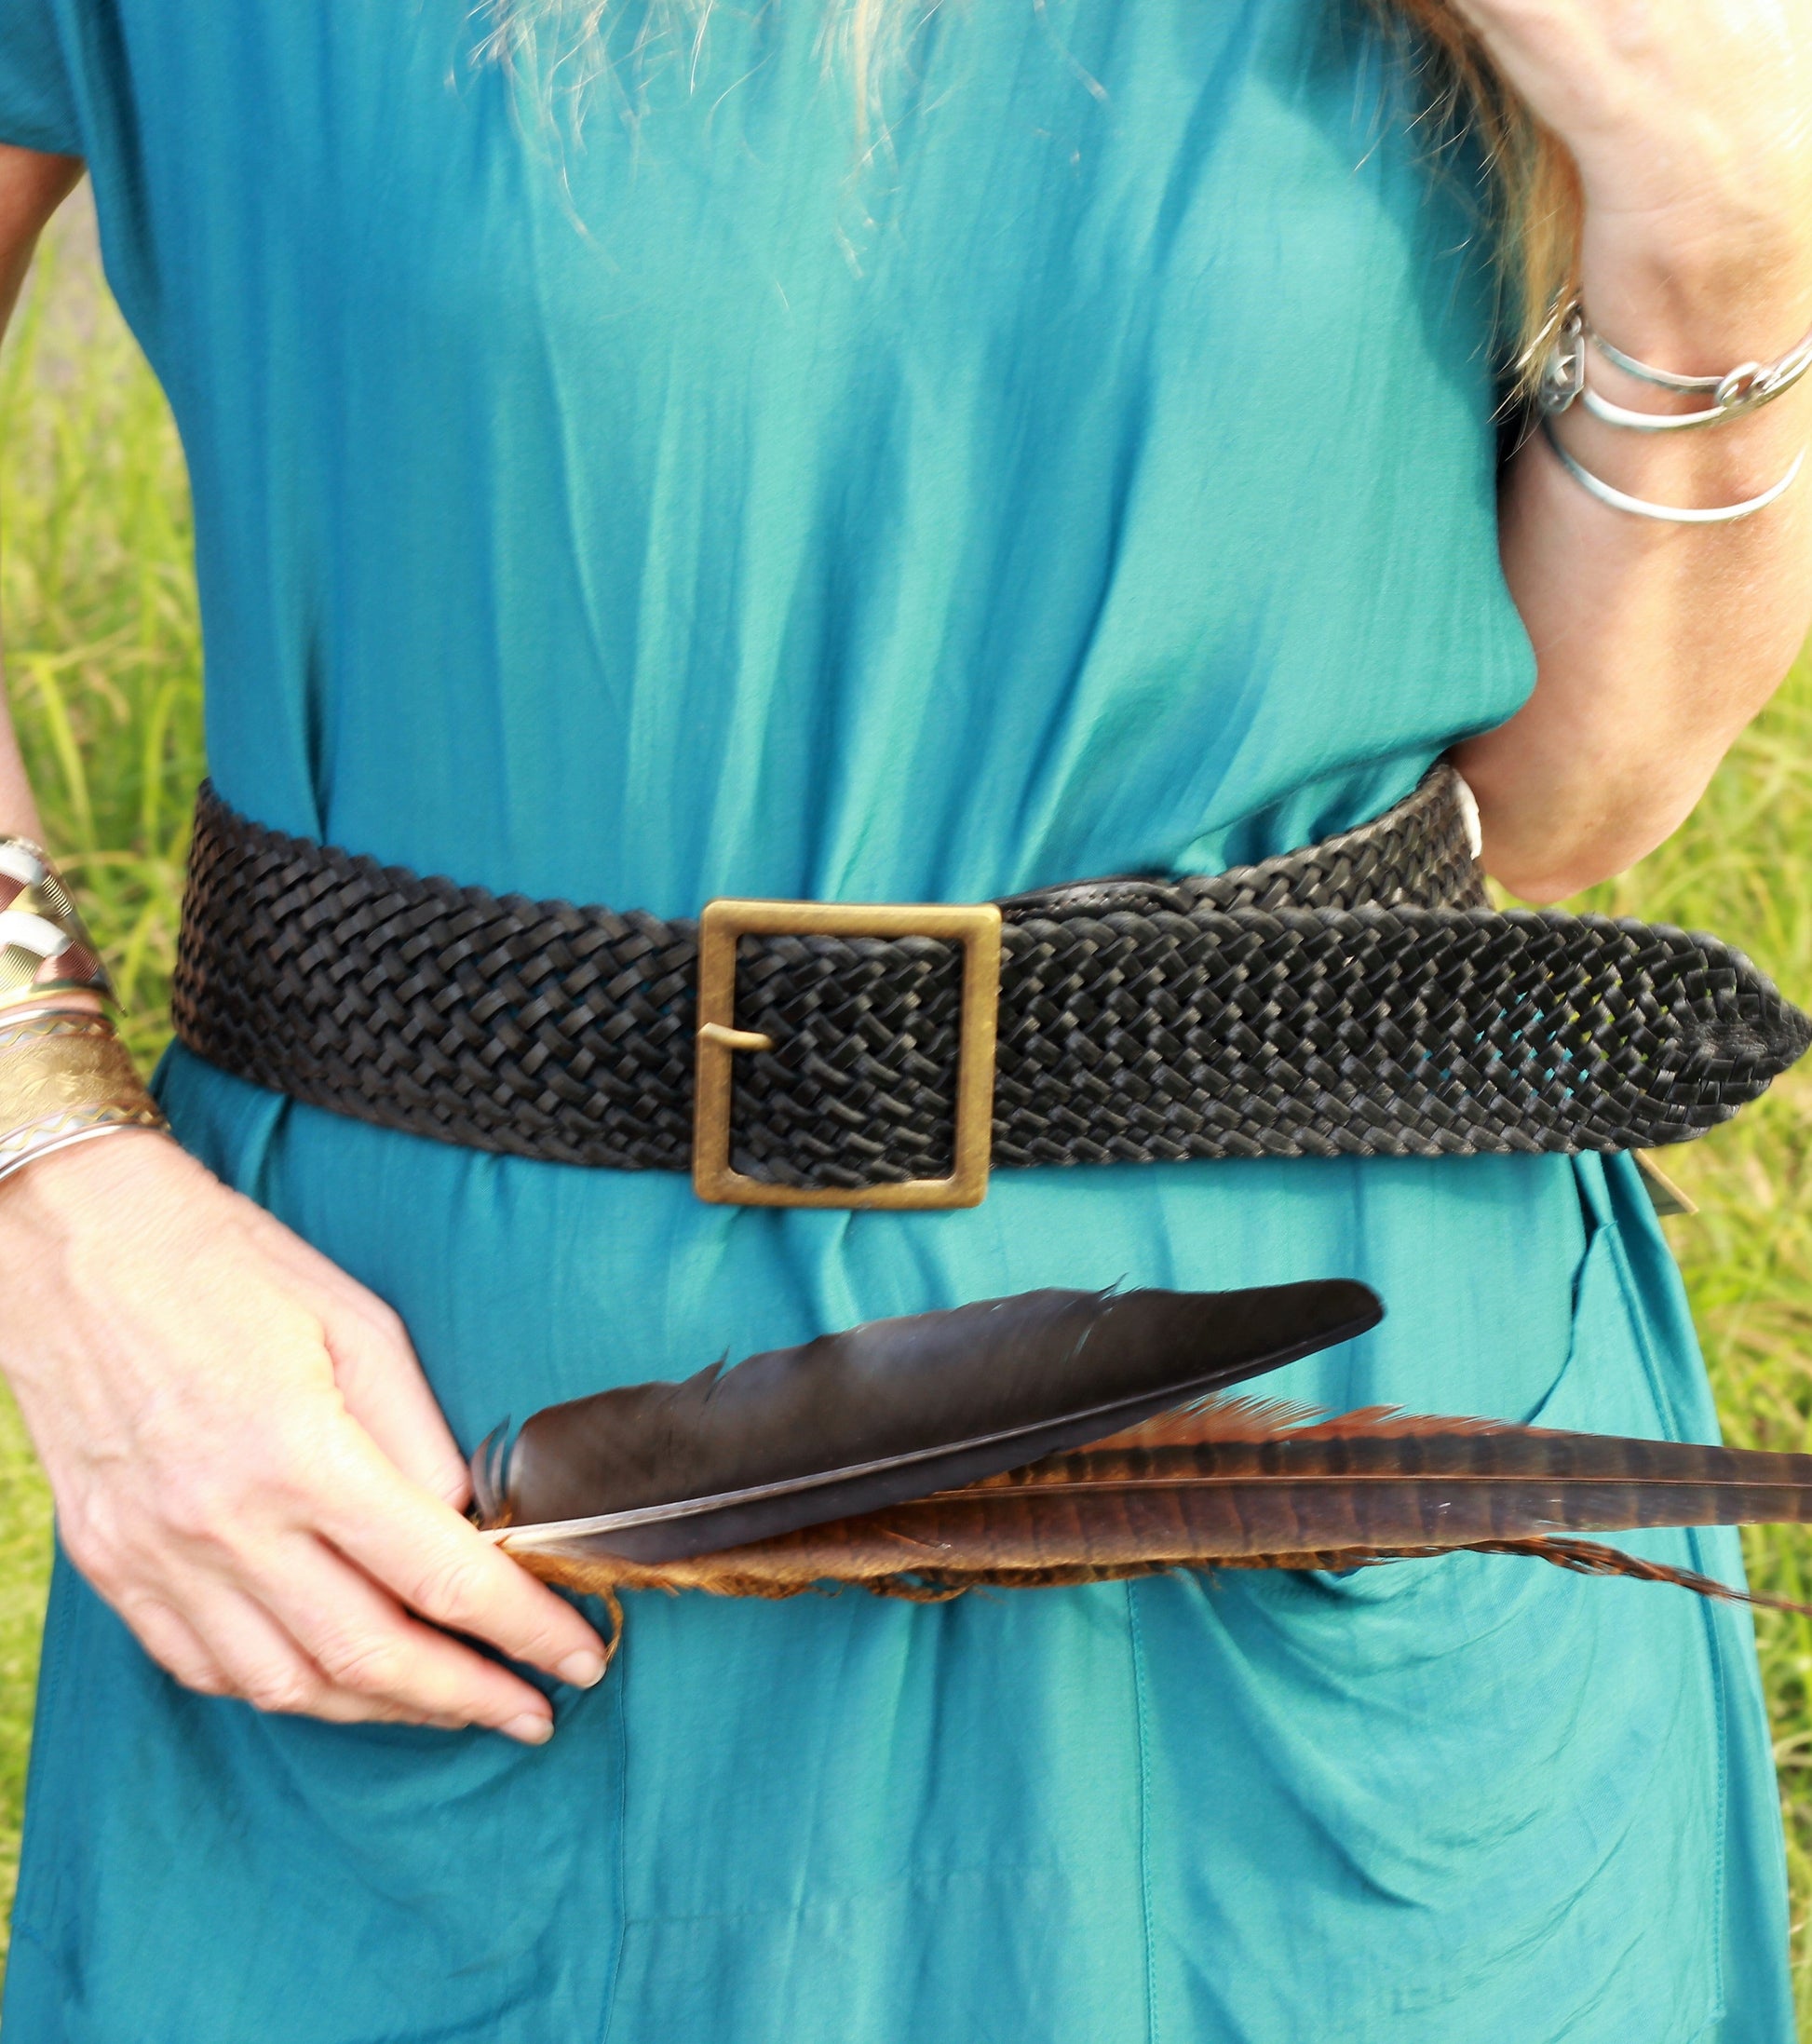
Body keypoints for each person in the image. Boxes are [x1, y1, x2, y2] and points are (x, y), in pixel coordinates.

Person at [0, 0, 1808, 2037]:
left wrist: (1728, 215)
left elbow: (1570, 797)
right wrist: (53, 1201)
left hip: (1304, 1455)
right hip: (447, 1484)